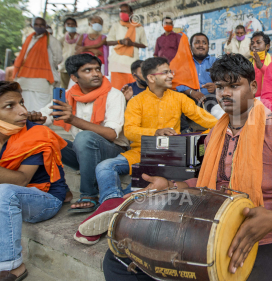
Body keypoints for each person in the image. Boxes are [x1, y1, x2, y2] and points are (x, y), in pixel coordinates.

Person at [97, 53, 272, 281]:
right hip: (206, 225)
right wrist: (169, 185)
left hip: (261, 234)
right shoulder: (214, 134)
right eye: (219, 87)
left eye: (234, 85)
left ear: (253, 86)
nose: (225, 93)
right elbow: (205, 182)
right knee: (119, 258)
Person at [73, 57, 218, 244]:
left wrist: (212, 131)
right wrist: (155, 132)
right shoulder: (136, 101)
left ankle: (111, 211)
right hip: (138, 154)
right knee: (104, 167)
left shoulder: (179, 98)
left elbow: (207, 120)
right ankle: (113, 204)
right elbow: (130, 132)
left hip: (165, 158)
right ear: (151, 77)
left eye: (170, 71)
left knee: (134, 188)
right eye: (165, 72)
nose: (171, 75)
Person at [29, 54, 128, 217]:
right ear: (74, 77)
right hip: (83, 153)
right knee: (42, 135)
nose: (96, 73)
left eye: (97, 69)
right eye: (88, 70)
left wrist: (73, 119)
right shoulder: (68, 95)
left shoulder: (114, 94)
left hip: (112, 151)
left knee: (84, 137)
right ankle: (59, 188)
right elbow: (45, 116)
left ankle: (89, 194)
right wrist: (35, 118)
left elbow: (111, 134)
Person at [0, 81, 67, 280]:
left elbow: (20, 180)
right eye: (10, 106)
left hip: (44, 200)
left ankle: (12, 266)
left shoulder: (36, 134)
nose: (22, 111)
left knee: (4, 192)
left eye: (22, 103)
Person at [13, 17, 62, 112]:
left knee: (41, 109)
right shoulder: (29, 39)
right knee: (24, 104)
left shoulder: (52, 40)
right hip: (25, 78)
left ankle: (38, 125)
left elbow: (58, 58)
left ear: (46, 26)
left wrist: (47, 65)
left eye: (42, 25)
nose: (39, 27)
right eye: (36, 24)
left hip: (43, 79)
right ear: (32, 25)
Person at [106, 4, 147, 90]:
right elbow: (108, 42)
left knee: (132, 89)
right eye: (121, 11)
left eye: (125, 11)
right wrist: (120, 41)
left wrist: (132, 43)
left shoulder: (139, 27)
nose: (122, 13)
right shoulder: (116, 26)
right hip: (116, 63)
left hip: (131, 63)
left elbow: (144, 44)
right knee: (117, 90)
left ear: (131, 13)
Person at [176, 32, 217, 111]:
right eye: (197, 42)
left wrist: (216, 85)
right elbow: (178, 83)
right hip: (190, 98)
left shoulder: (215, 62)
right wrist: (192, 92)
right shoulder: (184, 64)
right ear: (191, 47)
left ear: (208, 46)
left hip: (212, 98)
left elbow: (226, 80)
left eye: (204, 43)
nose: (201, 45)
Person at [250, 31, 272, 97]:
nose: (254, 45)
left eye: (258, 42)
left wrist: (261, 66)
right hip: (252, 101)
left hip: (269, 100)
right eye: (252, 43)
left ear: (267, 46)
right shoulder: (248, 62)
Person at [59, 17, 80, 88]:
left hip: (77, 67)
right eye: (68, 24)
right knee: (64, 88)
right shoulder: (62, 39)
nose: (70, 25)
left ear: (76, 25)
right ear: (65, 26)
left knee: (77, 87)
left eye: (72, 24)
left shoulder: (81, 38)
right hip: (64, 66)